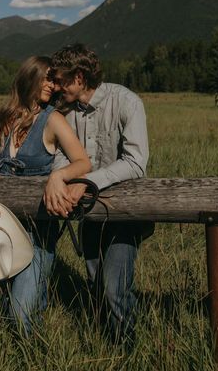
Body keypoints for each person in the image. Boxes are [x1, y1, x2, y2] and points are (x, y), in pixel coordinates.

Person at [0, 55, 91, 334]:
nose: (54, 85)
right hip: (2, 227)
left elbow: (83, 162)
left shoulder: (53, 120)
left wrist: (58, 176)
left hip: (39, 230)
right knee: (7, 302)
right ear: (30, 77)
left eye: (55, 81)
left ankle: (33, 343)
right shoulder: (2, 118)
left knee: (19, 314)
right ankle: (31, 349)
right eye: (48, 78)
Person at [46, 43, 152, 345]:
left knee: (114, 287)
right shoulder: (65, 112)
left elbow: (135, 163)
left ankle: (127, 350)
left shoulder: (127, 102)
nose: (56, 86)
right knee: (94, 283)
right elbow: (62, 155)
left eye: (61, 79)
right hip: (87, 214)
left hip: (124, 214)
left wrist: (87, 182)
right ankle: (103, 341)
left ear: (79, 77)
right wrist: (62, 178)